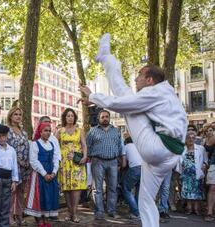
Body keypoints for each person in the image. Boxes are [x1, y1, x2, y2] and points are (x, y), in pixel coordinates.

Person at [79, 33, 187, 227]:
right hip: (169, 156)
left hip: (158, 148)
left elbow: (122, 103)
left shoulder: (155, 92)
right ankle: (108, 59)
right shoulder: (166, 93)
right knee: (145, 200)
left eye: (139, 76)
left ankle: (108, 59)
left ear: (150, 80)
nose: (136, 79)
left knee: (127, 103)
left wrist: (93, 96)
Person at [86, 110, 122, 220]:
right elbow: (87, 146)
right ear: (99, 118)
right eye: (102, 117)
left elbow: (119, 146)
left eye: (107, 116)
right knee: (98, 188)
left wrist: (119, 160)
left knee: (113, 188)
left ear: (109, 118)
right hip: (98, 161)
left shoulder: (116, 131)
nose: (105, 118)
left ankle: (112, 211)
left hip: (113, 162)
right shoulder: (92, 131)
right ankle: (99, 211)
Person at [25, 122, 61, 227]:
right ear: (40, 132)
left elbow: (56, 159)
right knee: (39, 195)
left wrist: (54, 172)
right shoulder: (35, 144)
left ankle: (45, 217)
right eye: (45, 130)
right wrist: (44, 174)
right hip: (39, 174)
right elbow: (33, 161)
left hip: (51, 173)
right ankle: (39, 219)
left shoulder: (52, 144)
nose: (48, 133)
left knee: (48, 196)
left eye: (49, 131)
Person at [55, 108, 88, 223]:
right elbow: (54, 146)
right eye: (68, 116)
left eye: (72, 116)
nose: (70, 117)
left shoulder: (80, 130)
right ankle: (70, 213)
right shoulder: (60, 131)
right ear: (64, 117)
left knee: (76, 187)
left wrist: (84, 157)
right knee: (67, 189)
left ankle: (74, 213)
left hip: (77, 162)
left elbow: (84, 145)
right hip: (64, 163)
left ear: (74, 118)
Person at [0, 125, 19, 227]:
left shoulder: (11, 150)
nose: (2, 138)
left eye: (4, 136)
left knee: (6, 205)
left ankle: (4, 225)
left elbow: (14, 165)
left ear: (7, 136)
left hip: (8, 180)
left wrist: (14, 181)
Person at [6, 107, 31, 226]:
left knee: (21, 192)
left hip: (25, 166)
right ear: (10, 116)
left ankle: (19, 215)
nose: (18, 116)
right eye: (15, 114)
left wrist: (27, 163)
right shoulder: (7, 131)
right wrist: (18, 160)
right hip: (13, 166)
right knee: (12, 191)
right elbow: (8, 149)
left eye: (20, 114)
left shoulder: (24, 132)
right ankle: (10, 216)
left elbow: (27, 148)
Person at [176, 132, 207, 215]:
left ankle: (196, 208)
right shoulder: (183, 149)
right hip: (186, 174)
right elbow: (179, 161)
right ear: (186, 139)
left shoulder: (201, 148)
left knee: (197, 191)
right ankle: (189, 208)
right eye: (189, 137)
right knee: (187, 191)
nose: (191, 139)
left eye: (193, 138)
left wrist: (204, 164)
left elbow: (205, 159)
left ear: (195, 139)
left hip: (197, 172)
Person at [121, 137, 142, 220]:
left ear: (126, 142)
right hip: (145, 169)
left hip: (134, 168)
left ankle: (136, 213)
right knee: (139, 191)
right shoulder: (139, 146)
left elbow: (124, 164)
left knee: (126, 189)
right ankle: (138, 212)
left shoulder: (125, 147)